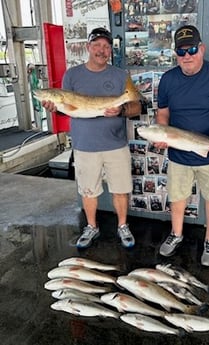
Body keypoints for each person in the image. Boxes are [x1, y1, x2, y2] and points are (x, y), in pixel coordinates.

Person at [41, 27, 141, 249]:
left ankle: (123, 226)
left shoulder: (121, 76)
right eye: (97, 45)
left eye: (106, 46)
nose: (101, 50)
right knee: (88, 190)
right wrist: (54, 108)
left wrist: (121, 110)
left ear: (110, 51)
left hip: (116, 143)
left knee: (121, 189)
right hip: (85, 145)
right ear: (88, 47)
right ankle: (91, 226)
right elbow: (67, 109)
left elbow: (135, 106)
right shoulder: (72, 75)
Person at [155, 25, 209, 266]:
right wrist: (163, 132)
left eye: (192, 49)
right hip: (179, 154)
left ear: (201, 48)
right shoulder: (168, 79)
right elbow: (163, 113)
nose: (187, 56)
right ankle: (176, 234)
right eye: (181, 52)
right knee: (177, 198)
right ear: (175, 54)